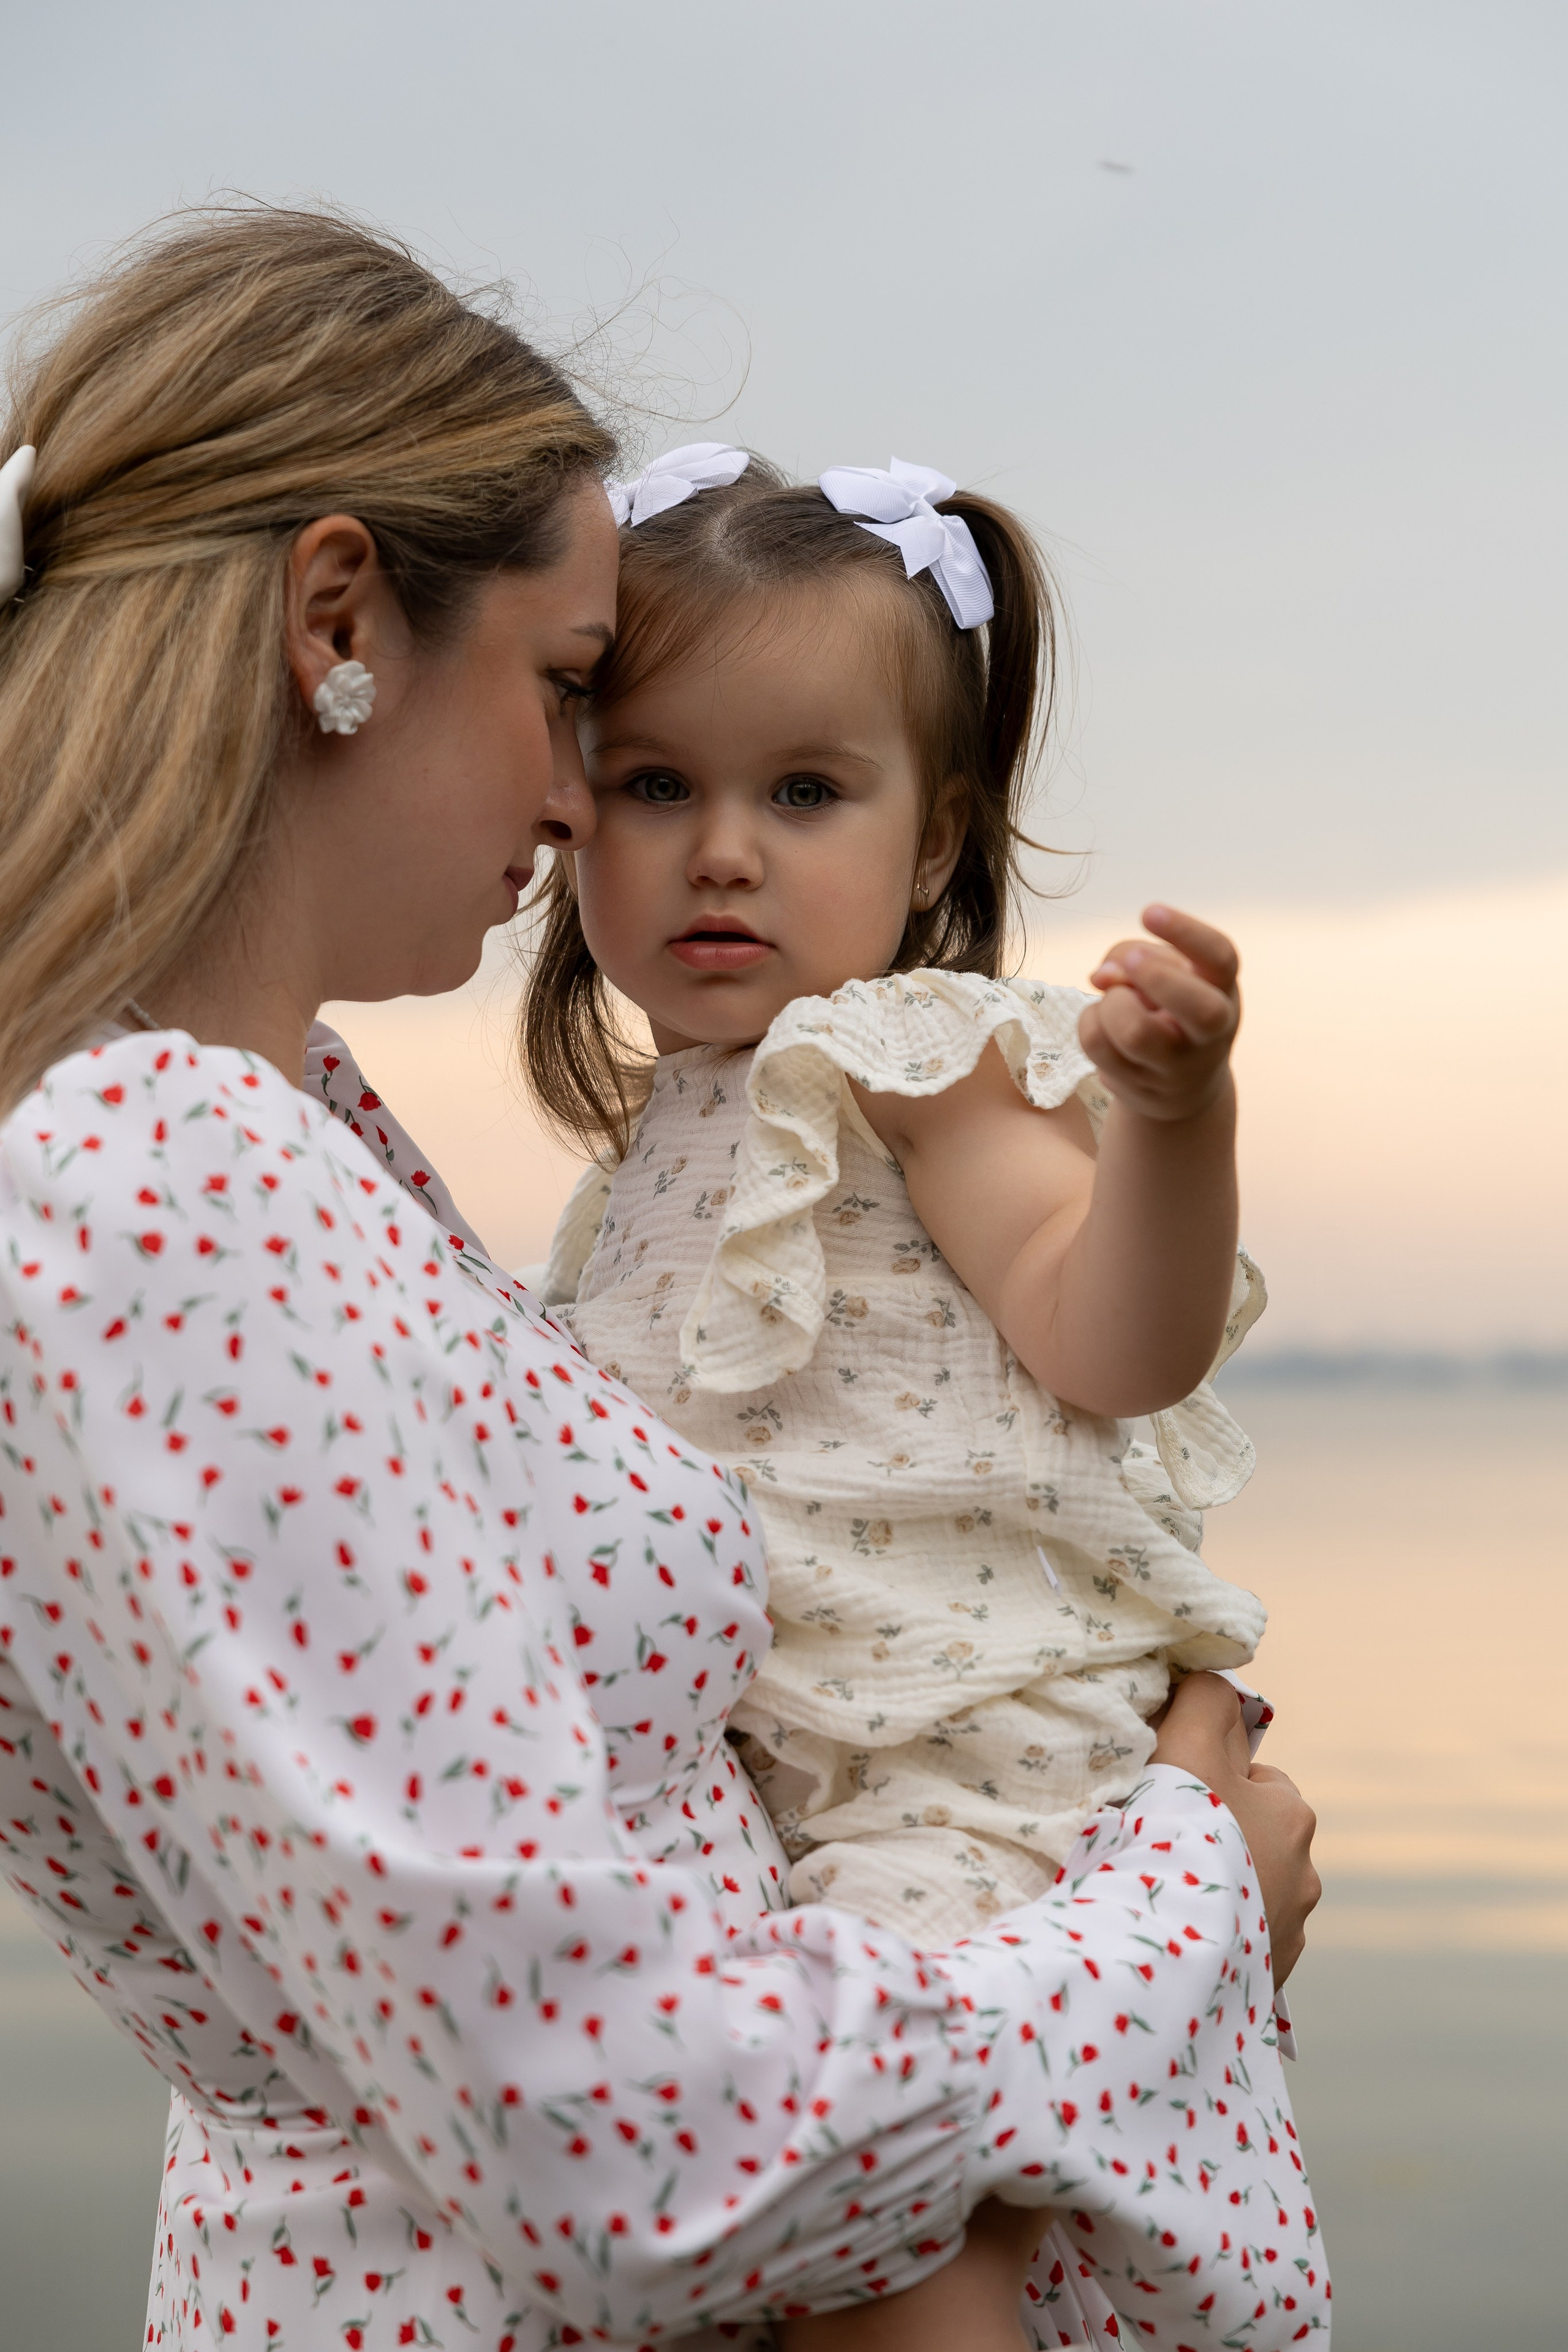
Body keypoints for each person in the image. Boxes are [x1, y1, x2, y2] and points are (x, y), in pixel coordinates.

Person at [0, 212, 1324, 2352]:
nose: (572, 798)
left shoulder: (272, 1131)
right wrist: (1178, 1912)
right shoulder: (150, 1172)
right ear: (338, 619)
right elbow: (619, 2148)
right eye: (576, 703)